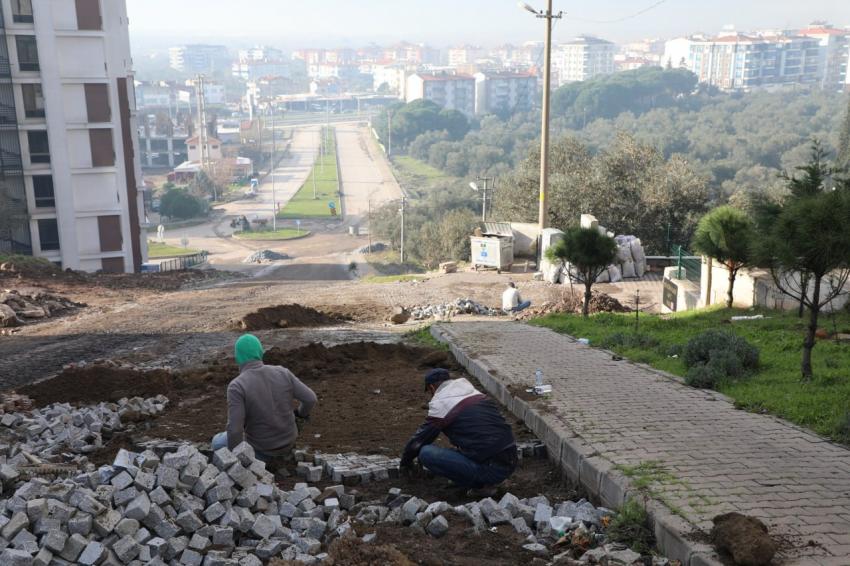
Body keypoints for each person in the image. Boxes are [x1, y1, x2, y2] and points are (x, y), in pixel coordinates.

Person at [400, 368, 517, 495]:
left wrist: (405, 463)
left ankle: (482, 486)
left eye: (429, 392)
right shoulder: (474, 393)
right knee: (461, 447)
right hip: (510, 459)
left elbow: (419, 441)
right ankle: (490, 477)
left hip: (491, 468)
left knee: (426, 453)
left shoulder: (441, 403)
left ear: (432, 388)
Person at [211, 334, 317, 463]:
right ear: (260, 352)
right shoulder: (283, 372)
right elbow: (310, 399)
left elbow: (235, 430)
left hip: (261, 451)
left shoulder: (237, 386)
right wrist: (300, 415)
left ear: (237, 357)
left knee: (217, 441)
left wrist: (236, 462)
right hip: (288, 444)